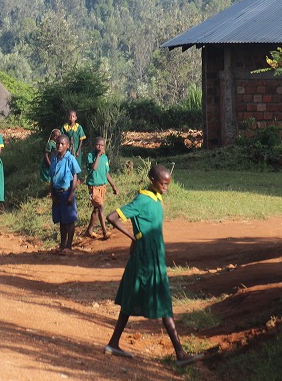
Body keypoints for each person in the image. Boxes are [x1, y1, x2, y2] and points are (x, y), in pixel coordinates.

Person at [104, 164, 202, 366]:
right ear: (152, 180)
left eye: (167, 184)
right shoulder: (142, 200)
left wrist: (137, 237)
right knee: (163, 301)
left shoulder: (156, 198)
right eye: (162, 183)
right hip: (145, 259)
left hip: (153, 256)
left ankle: (113, 343)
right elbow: (112, 217)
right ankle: (180, 354)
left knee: (131, 299)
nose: (165, 187)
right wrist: (135, 237)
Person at [49, 134, 81, 255]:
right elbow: (52, 177)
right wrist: (52, 193)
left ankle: (69, 245)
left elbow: (75, 176)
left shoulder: (70, 159)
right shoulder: (54, 159)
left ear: (67, 145)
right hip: (57, 193)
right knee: (61, 220)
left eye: (62, 144)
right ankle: (62, 244)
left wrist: (71, 194)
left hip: (67, 192)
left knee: (70, 220)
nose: (59, 146)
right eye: (58, 143)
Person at [84, 137, 118, 239]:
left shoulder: (105, 158)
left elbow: (106, 173)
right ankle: (104, 231)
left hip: (102, 186)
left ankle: (89, 230)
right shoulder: (91, 156)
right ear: (94, 145)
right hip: (93, 186)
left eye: (102, 145)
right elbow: (94, 167)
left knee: (96, 209)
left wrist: (113, 186)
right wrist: (98, 155)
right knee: (100, 206)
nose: (100, 147)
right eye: (98, 145)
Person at [61, 110, 86, 175]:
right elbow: (62, 137)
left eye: (73, 116)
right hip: (67, 149)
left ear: (75, 118)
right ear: (67, 117)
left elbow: (81, 140)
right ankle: (68, 177)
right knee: (68, 162)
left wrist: (78, 150)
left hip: (77, 148)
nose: (71, 118)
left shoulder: (79, 127)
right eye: (70, 116)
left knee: (77, 162)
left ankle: (77, 178)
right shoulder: (65, 127)